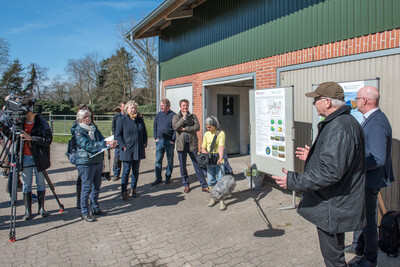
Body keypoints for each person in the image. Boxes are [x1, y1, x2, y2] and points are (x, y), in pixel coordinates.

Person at [271, 82, 366, 267]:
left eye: (316, 99)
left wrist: (293, 181)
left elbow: (330, 172)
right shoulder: (341, 123)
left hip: (333, 205)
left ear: (328, 102)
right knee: (334, 255)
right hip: (335, 203)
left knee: (334, 259)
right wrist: (313, 155)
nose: (314, 103)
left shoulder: (339, 127)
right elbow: (339, 161)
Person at [348, 86, 394, 267]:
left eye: (357, 98)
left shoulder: (376, 123)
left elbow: (378, 158)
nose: (355, 101)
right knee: (363, 218)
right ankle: (359, 248)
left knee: (368, 223)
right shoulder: (372, 119)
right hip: (366, 180)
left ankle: (369, 259)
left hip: (370, 180)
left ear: (365, 101)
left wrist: (352, 165)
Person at [74, 109, 116, 222]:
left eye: (89, 116)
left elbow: (101, 140)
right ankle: (84, 212)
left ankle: (95, 208)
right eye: (85, 117)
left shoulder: (94, 128)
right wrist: (104, 144)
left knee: (96, 186)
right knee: (86, 187)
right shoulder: (78, 131)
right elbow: (87, 145)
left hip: (97, 160)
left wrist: (109, 143)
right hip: (86, 162)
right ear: (80, 119)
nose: (88, 119)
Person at [20, 107, 53, 220]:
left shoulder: (41, 122)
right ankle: (28, 210)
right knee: (26, 184)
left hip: (39, 157)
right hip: (25, 157)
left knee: (40, 182)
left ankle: (41, 208)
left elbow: (48, 140)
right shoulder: (20, 122)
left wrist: (31, 138)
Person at [172, 99, 209, 193]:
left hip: (192, 144)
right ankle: (186, 185)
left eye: (187, 105)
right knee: (182, 166)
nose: (185, 107)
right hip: (181, 145)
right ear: (180, 106)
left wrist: (185, 129)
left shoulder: (193, 117)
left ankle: (204, 185)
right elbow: (175, 127)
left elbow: (197, 127)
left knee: (197, 164)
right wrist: (183, 119)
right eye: (183, 105)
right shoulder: (176, 117)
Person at [115, 100, 148, 201]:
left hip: (138, 148)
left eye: (135, 108)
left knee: (136, 170)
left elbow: (144, 133)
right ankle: (124, 191)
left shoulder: (139, 120)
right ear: (127, 109)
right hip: (127, 149)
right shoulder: (122, 120)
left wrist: (144, 143)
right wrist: (123, 145)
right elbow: (117, 134)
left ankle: (133, 189)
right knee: (126, 171)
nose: (133, 110)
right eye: (131, 108)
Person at [70, 104, 95, 209]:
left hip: (93, 157)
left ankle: (92, 202)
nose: (87, 117)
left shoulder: (93, 127)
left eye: (88, 114)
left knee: (91, 181)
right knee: (82, 180)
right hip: (82, 158)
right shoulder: (77, 127)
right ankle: (80, 202)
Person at [201, 116, 227, 210]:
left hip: (218, 159)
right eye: (207, 127)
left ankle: (222, 201)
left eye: (209, 127)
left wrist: (220, 158)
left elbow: (221, 146)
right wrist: (204, 153)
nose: (208, 129)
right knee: (210, 180)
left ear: (215, 125)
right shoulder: (206, 134)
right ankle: (213, 198)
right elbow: (203, 147)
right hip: (209, 159)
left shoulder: (221, 133)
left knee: (220, 180)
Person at [151, 98, 176, 186]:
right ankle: (158, 178)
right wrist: (155, 138)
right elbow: (155, 126)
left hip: (169, 142)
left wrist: (173, 140)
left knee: (169, 160)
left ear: (168, 106)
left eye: (163, 106)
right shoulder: (158, 115)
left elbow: (175, 129)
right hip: (159, 141)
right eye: (161, 105)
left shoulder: (173, 115)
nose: (161, 107)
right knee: (158, 160)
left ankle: (167, 178)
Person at [111, 101, 126, 181]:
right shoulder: (116, 117)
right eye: (123, 107)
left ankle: (125, 173)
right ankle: (116, 173)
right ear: (120, 108)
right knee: (117, 157)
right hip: (118, 139)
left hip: (126, 139)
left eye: (125, 107)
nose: (124, 108)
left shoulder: (128, 116)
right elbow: (113, 128)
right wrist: (115, 138)